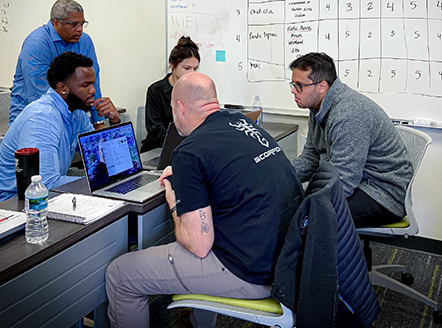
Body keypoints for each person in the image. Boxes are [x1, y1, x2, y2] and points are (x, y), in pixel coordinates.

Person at [105, 72, 304, 328]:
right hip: (286, 257)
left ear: (179, 108)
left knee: (121, 274)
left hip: (250, 272)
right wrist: (191, 182)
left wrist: (175, 198)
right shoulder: (242, 123)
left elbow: (198, 245)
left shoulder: (190, 151)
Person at [289, 52, 413, 228]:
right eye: (293, 84)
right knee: (293, 202)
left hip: (381, 193)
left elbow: (344, 180)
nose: (294, 90)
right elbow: (311, 156)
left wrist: (300, 193)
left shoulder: (349, 115)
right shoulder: (317, 107)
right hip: (356, 180)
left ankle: (327, 256)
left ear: (322, 86)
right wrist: (285, 178)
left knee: (307, 214)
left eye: (299, 85)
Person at [0, 52, 119, 207]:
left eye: (93, 84)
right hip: (10, 202)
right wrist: (106, 180)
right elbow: (47, 183)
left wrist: (114, 122)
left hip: (45, 194)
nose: (93, 91)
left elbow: (99, 155)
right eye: (85, 85)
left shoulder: (77, 111)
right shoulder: (42, 117)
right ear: (62, 88)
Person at [8, 0, 119, 129]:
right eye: (73, 24)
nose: (80, 29)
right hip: (34, 120)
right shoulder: (37, 43)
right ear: (56, 23)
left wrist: (98, 122)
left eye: (82, 24)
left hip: (71, 118)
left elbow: (92, 86)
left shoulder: (85, 41)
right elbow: (40, 95)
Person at [140, 36, 200, 152]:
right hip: (159, 148)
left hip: (187, 148)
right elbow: (155, 131)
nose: (192, 74)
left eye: (195, 69)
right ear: (172, 65)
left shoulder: (196, 90)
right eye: (187, 68)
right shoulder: (156, 90)